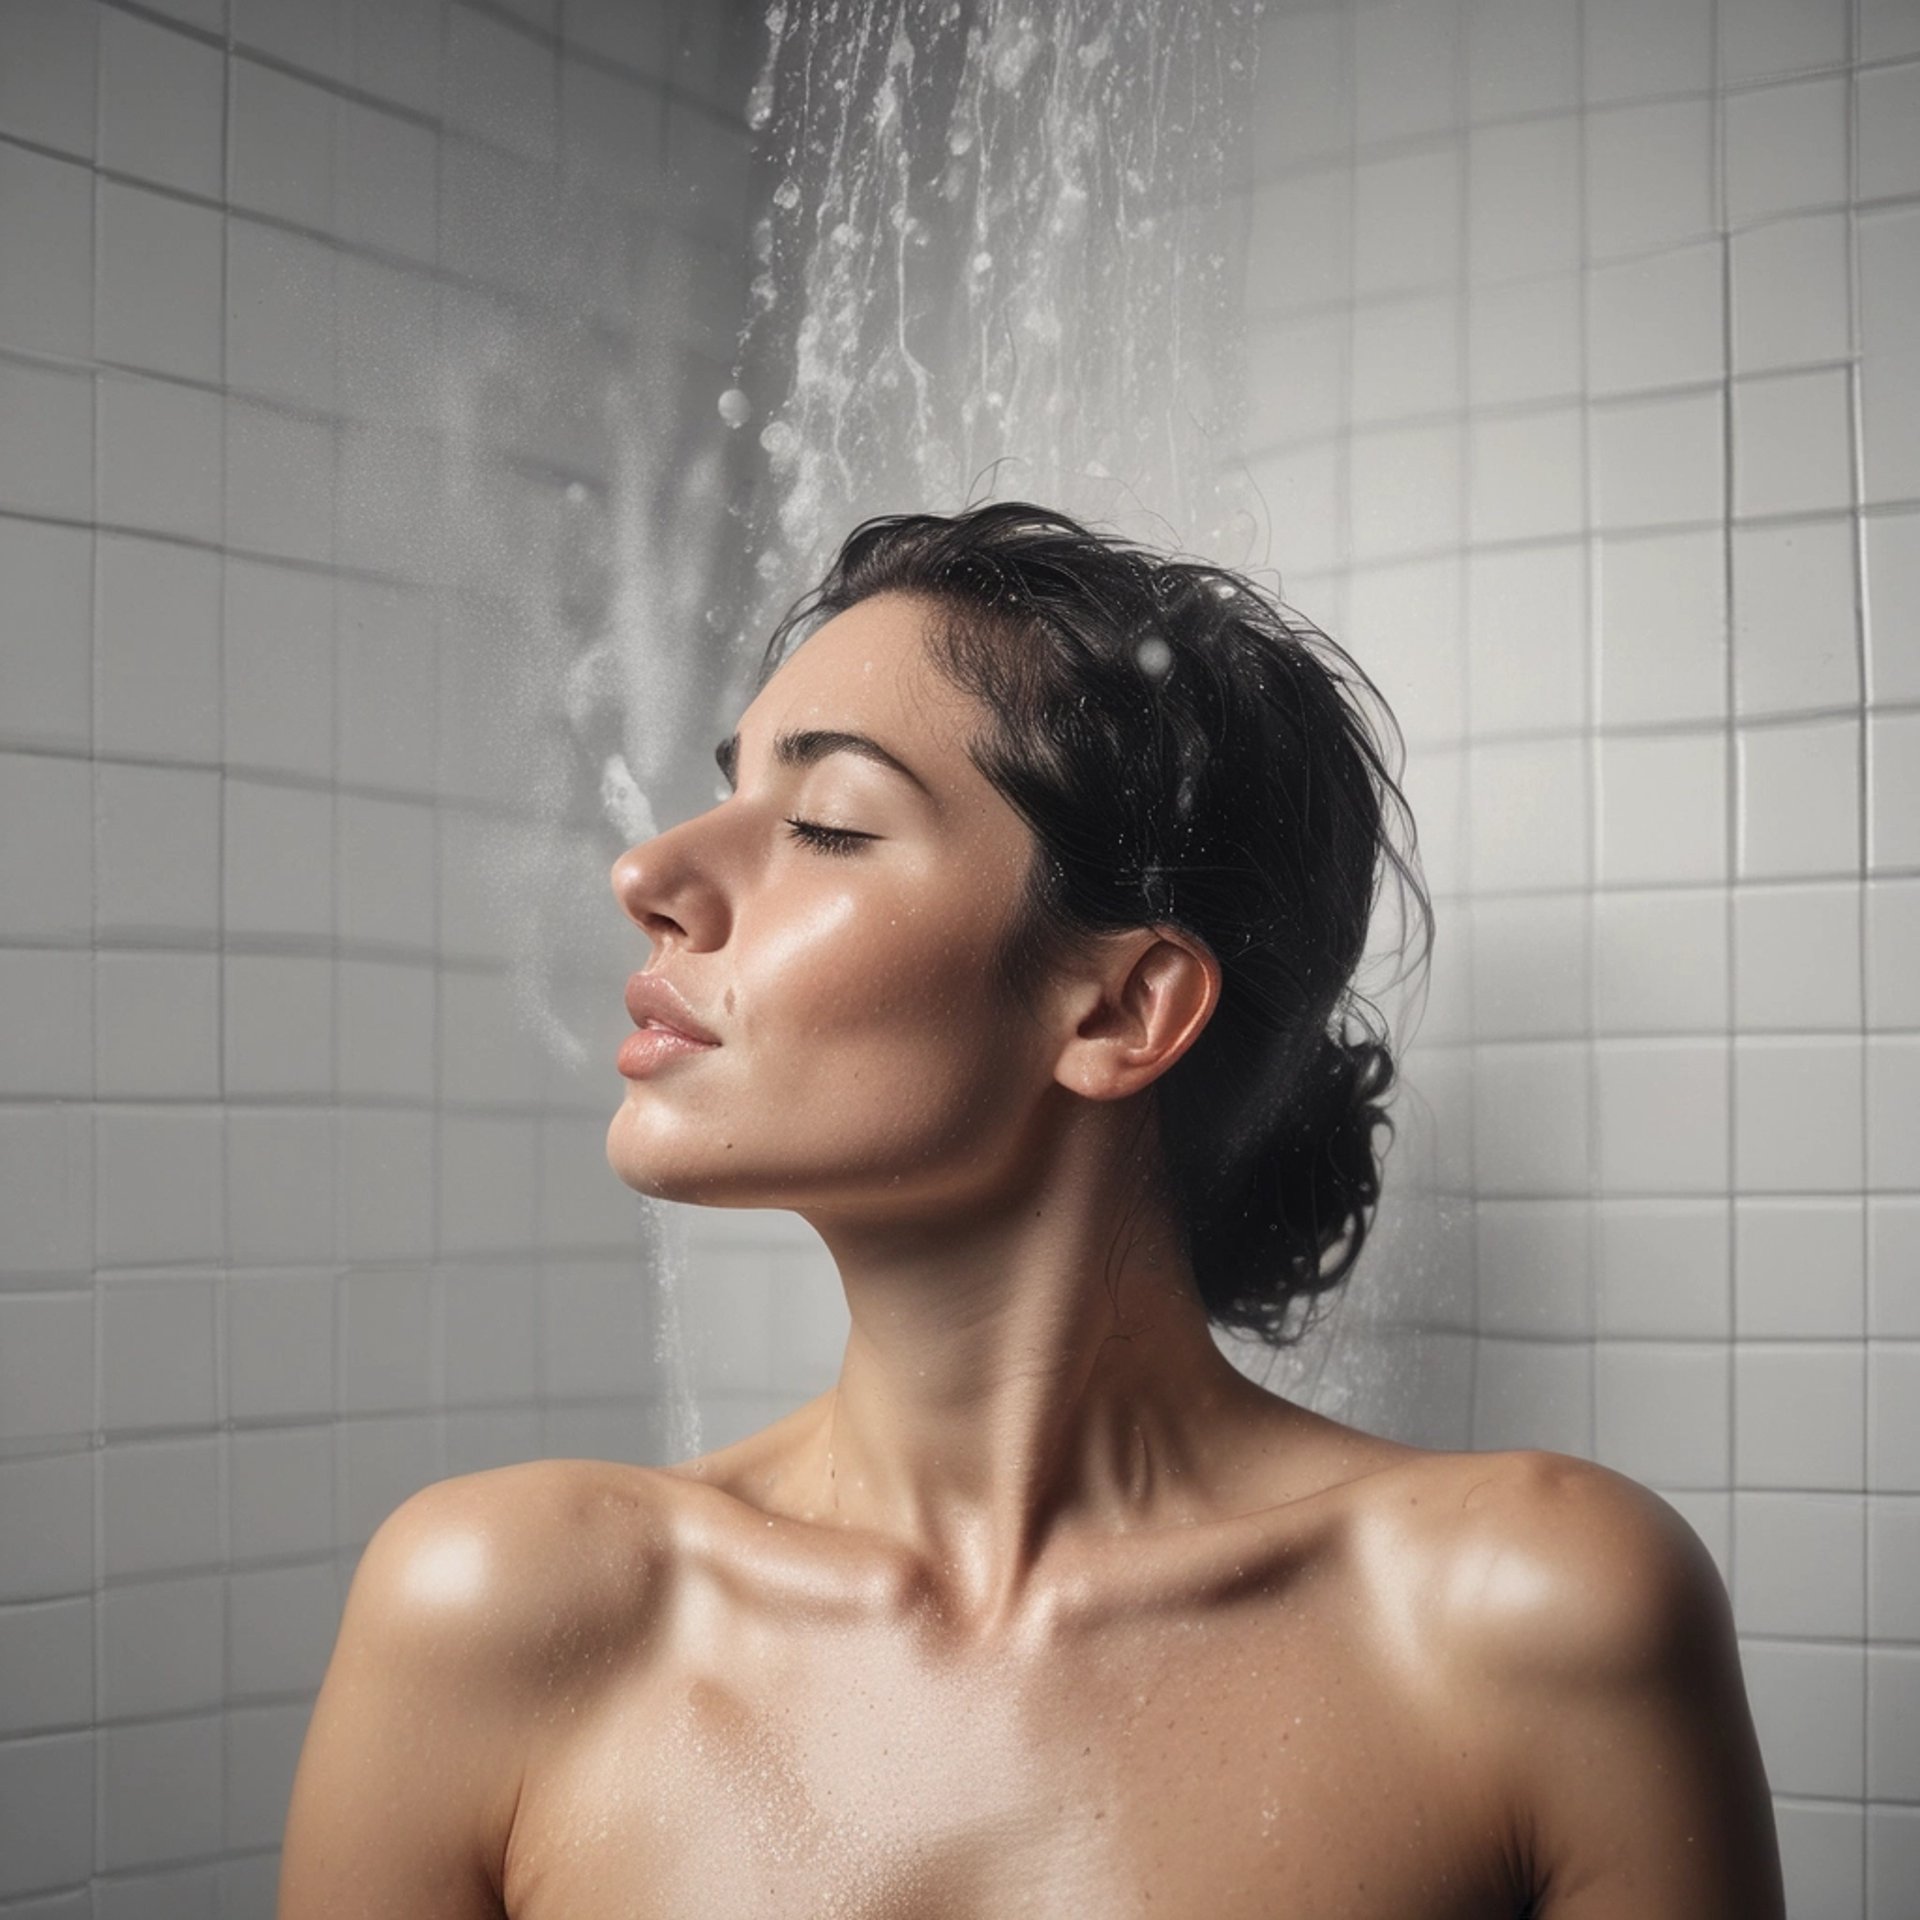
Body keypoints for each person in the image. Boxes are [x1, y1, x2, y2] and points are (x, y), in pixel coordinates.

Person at [279, 503, 1784, 1917]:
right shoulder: (503, 1614)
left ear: (1124, 1007)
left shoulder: (1536, 1627)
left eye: (831, 825)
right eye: (733, 790)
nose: (650, 871)